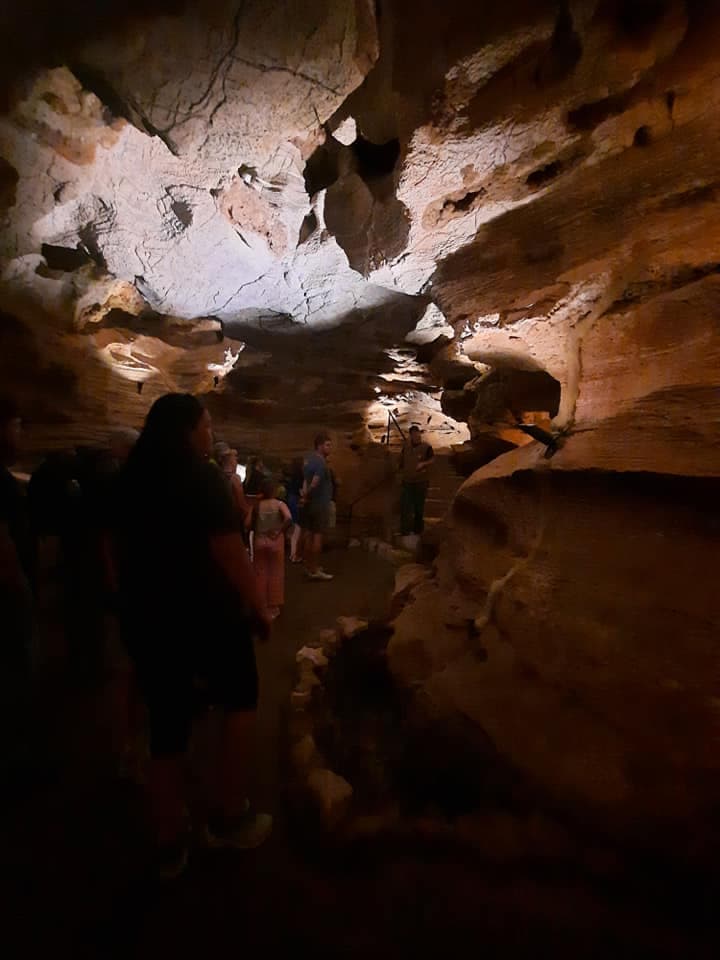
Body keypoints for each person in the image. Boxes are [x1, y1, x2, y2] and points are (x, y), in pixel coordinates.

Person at [111, 393, 273, 878]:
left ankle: (167, 837)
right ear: (186, 430)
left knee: (167, 721)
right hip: (205, 614)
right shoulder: (198, 476)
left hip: (147, 614)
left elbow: (117, 546)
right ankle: (227, 812)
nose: (210, 433)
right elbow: (227, 550)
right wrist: (259, 607)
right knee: (241, 698)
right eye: (206, 425)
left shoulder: (130, 479)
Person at [0, 395, 36, 778]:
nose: (20, 434)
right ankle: (17, 760)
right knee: (15, 674)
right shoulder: (2, 483)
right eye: (16, 426)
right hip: (7, 595)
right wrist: (19, 584)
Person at [250, 477, 291, 620]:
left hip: (260, 540)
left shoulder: (257, 505)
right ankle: (273, 607)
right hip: (275, 541)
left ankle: (261, 605)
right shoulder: (280, 504)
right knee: (275, 573)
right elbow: (288, 518)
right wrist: (279, 531)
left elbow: (247, 522)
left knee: (260, 573)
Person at [300, 431, 334, 581]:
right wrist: (307, 495)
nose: (329, 448)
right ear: (320, 446)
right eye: (327, 445)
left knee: (308, 535)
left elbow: (305, 481)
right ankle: (314, 570)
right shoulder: (320, 462)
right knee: (317, 536)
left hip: (309, 505)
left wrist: (304, 497)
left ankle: (308, 566)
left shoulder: (308, 460)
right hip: (319, 504)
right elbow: (314, 482)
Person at [399, 425, 434, 536]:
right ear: (410, 435)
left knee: (419, 506)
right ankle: (405, 529)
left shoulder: (426, 447)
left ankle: (418, 530)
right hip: (407, 480)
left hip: (421, 481)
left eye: (417, 434)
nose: (416, 436)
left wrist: (423, 463)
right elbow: (402, 459)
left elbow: (432, 459)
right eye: (413, 434)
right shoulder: (406, 447)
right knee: (405, 505)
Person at [218, 447, 250, 529]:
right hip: (234, 519)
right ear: (231, 461)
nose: (236, 463)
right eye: (235, 460)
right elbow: (240, 502)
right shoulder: (235, 478)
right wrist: (249, 513)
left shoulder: (217, 476)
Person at [284, 457, 304, 563]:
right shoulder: (300, 475)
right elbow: (301, 490)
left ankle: (293, 553)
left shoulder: (291, 475)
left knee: (293, 527)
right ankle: (294, 554)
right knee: (297, 528)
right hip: (296, 500)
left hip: (290, 499)